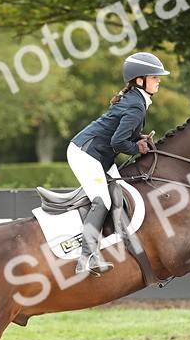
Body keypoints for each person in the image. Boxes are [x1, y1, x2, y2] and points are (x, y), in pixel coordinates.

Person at [67, 51, 170, 276]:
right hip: (85, 154)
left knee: (122, 190)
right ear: (140, 80)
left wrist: (137, 137)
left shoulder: (136, 99)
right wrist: (137, 148)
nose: (159, 81)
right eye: (155, 77)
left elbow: (118, 131)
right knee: (102, 200)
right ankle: (86, 257)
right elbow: (117, 141)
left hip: (99, 154)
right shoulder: (136, 105)